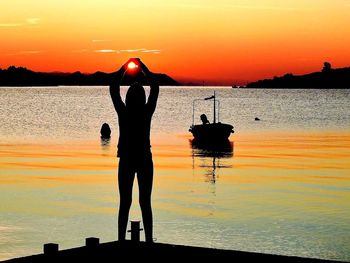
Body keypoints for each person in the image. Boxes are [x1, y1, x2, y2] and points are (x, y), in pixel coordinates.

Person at [110, 58, 159, 243]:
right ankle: (148, 241)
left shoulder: (124, 112)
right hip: (144, 159)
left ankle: (122, 240)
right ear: (142, 98)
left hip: (129, 159)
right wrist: (143, 67)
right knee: (144, 202)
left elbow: (113, 87)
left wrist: (125, 66)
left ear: (128, 98)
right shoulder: (146, 113)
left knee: (126, 203)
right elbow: (155, 86)